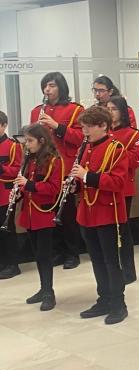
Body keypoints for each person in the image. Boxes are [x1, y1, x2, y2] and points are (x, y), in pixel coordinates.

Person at [72, 106, 129, 325]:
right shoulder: (86, 147)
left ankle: (118, 304)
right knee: (96, 259)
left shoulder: (116, 148)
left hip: (108, 212)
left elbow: (118, 182)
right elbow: (82, 181)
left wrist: (87, 176)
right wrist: (75, 185)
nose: (84, 131)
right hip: (87, 212)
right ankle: (103, 299)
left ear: (103, 126)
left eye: (88, 127)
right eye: (83, 127)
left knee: (111, 261)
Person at [31, 72, 85, 269]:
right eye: (45, 86)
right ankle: (57, 251)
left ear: (61, 87)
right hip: (44, 167)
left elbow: (81, 138)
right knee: (48, 212)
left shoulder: (75, 109)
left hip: (65, 166)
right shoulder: (37, 111)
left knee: (67, 212)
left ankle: (73, 252)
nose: (47, 90)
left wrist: (56, 126)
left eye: (52, 85)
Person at [15, 124, 63, 310]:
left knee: (44, 255)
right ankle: (43, 289)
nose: (27, 145)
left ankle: (49, 292)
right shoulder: (30, 159)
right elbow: (24, 184)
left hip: (44, 213)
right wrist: (19, 192)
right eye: (26, 141)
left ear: (42, 141)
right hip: (29, 213)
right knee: (37, 254)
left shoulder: (53, 160)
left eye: (30, 141)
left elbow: (54, 188)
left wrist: (29, 185)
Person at [107, 96, 139, 284]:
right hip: (105, 186)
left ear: (122, 112)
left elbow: (134, 161)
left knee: (123, 230)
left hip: (124, 186)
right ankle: (114, 270)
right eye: (107, 109)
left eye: (113, 109)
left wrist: (113, 152)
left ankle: (129, 271)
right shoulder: (103, 133)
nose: (110, 112)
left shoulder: (133, 134)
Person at [0, 111, 24, 279]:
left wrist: (1, 168)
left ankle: (12, 264)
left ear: (4, 125)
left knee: (7, 230)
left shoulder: (13, 146)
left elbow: (17, 170)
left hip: (5, 194)